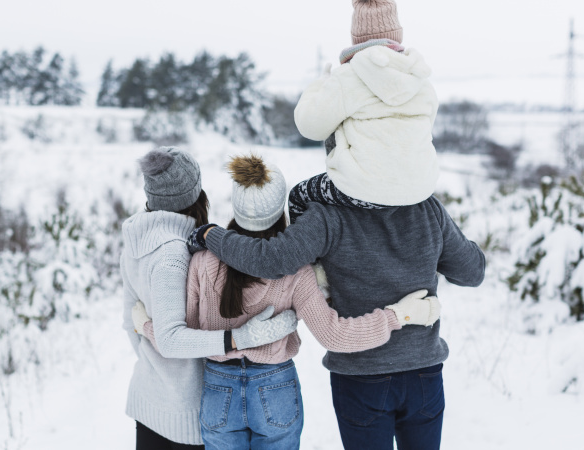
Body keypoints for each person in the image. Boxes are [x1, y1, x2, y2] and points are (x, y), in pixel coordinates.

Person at [184, 4, 485, 446]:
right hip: (423, 370)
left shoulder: (327, 215)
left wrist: (211, 234)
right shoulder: (428, 210)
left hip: (362, 376)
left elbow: (271, 259)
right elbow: (472, 271)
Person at [182, 155, 441, 449]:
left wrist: (148, 326)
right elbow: (335, 335)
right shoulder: (298, 271)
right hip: (274, 386)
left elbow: (188, 334)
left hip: (218, 388)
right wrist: (398, 315)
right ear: (280, 209)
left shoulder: (202, 261)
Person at [120, 147, 300, 449]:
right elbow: (171, 339)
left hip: (149, 399)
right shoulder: (173, 254)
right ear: (196, 196)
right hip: (183, 410)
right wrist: (238, 338)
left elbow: (131, 323)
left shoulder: (136, 241)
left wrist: (155, 365)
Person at [289, 0, 439, 222]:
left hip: (360, 188)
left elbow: (309, 126)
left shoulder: (348, 77)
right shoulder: (421, 81)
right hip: (420, 189)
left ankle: (313, 256)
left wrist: (320, 83)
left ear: (356, 38)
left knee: (299, 195)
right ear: (396, 35)